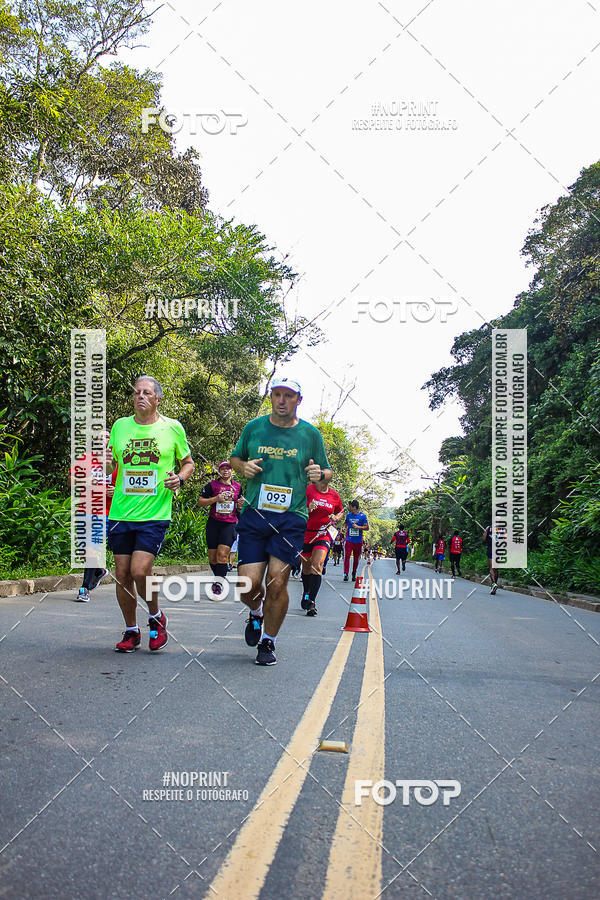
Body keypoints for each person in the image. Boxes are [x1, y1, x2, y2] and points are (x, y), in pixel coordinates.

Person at [230, 376, 331, 665]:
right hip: (254, 514)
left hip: (291, 517)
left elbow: (326, 472)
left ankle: (269, 642)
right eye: (277, 394)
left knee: (277, 581)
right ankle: (257, 611)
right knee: (247, 585)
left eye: (289, 395)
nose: (282, 400)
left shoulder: (310, 435)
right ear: (271, 397)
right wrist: (243, 466)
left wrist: (319, 476)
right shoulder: (254, 427)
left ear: (299, 400)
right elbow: (235, 458)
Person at [105, 376, 194, 652]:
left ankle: (156, 616)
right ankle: (132, 631)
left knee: (139, 569)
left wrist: (179, 478)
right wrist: (107, 465)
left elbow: (188, 463)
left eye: (146, 392)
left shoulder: (172, 428)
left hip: (154, 513)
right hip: (121, 512)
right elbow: (111, 467)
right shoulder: (120, 426)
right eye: (136, 392)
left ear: (158, 398)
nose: (140, 396)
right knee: (122, 574)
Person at [69, 429, 117, 602]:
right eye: (98, 437)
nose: (102, 440)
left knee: (91, 548)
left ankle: (84, 589)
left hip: (104, 512)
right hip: (84, 509)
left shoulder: (117, 463)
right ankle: (99, 571)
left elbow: (128, 487)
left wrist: (116, 491)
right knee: (84, 551)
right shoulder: (85, 459)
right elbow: (70, 480)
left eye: (105, 437)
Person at [198, 461, 243, 596]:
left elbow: (240, 505)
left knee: (222, 556)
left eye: (228, 469)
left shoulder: (237, 487)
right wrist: (215, 499)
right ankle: (218, 577)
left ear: (232, 472)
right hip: (214, 523)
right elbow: (200, 502)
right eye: (222, 469)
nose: (225, 471)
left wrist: (240, 505)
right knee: (212, 558)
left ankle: (218, 583)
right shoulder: (212, 485)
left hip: (230, 524)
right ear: (219, 471)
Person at [300, 478, 343, 616]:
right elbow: (294, 506)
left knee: (317, 564)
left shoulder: (334, 495)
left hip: (323, 534)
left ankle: (312, 602)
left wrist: (336, 518)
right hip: (306, 533)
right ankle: (306, 593)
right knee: (306, 568)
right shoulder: (307, 489)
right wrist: (307, 509)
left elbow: (340, 511)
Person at [343, 500, 369, 582]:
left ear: (354, 507)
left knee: (356, 558)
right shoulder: (348, 515)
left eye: (350, 506)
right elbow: (345, 523)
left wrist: (358, 527)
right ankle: (346, 574)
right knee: (346, 556)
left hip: (358, 541)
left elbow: (367, 528)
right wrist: (344, 527)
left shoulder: (363, 516)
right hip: (349, 539)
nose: (349, 508)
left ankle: (354, 572)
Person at [483, 524, 499, 594]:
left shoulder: (489, 528)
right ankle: (494, 584)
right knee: (496, 569)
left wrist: (486, 533)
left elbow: (483, 539)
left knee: (491, 568)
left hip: (490, 549)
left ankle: (493, 584)